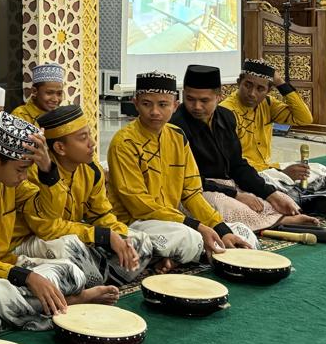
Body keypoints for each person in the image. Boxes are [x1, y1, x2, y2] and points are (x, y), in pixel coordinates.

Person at [0, 113, 120, 329]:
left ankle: (44, 304)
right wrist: (25, 277)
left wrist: (47, 171)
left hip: (3, 263)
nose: (24, 176)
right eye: (20, 169)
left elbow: (48, 214)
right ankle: (68, 302)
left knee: (70, 271)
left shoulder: (10, 184)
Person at [106, 71, 258, 267]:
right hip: (135, 223)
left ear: (175, 105)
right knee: (187, 237)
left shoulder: (177, 136)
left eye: (163, 104)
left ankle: (179, 256)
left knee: (240, 231)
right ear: (135, 104)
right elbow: (139, 205)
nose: (154, 112)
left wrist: (221, 229)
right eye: (146, 104)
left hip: (172, 220)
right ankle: (192, 254)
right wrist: (195, 226)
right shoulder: (124, 143)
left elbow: (192, 193)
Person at [172, 64, 320, 232]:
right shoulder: (175, 126)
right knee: (227, 207)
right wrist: (235, 194)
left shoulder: (226, 117)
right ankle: (279, 222)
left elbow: (237, 165)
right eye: (190, 99)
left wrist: (271, 194)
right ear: (183, 95)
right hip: (196, 190)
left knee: (270, 201)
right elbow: (187, 180)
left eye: (204, 100)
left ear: (218, 97)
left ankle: (274, 217)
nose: (197, 106)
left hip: (228, 184)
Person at [28, 104, 158, 282]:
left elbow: (102, 214)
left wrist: (120, 237)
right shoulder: (36, 172)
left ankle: (95, 276)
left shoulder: (92, 169)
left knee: (139, 241)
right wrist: (102, 236)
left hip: (76, 233)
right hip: (39, 239)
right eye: (83, 138)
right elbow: (47, 228)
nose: (92, 142)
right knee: (72, 248)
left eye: (89, 134)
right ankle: (94, 277)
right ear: (60, 148)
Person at [220, 59, 326, 189]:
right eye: (247, 85)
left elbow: (304, 118)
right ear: (238, 83)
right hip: (243, 174)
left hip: (268, 170)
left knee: (320, 171)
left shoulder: (268, 103)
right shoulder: (226, 111)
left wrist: (280, 82)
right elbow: (231, 163)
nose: (252, 93)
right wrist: (281, 173)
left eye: (260, 89)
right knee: (279, 184)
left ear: (268, 91)